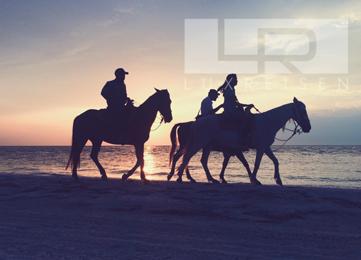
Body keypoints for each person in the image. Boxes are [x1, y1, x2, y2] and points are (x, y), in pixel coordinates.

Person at [217, 74, 254, 146]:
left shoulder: (231, 89)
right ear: (231, 80)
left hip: (232, 110)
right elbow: (235, 103)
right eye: (235, 79)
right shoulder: (229, 90)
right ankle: (242, 138)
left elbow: (236, 103)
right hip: (230, 111)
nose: (237, 81)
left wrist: (246, 105)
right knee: (245, 118)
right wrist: (247, 105)